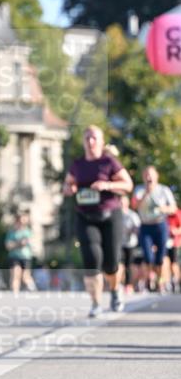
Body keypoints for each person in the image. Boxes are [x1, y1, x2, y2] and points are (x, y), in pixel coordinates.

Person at [62, 125, 133, 317]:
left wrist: (108, 184)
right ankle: (95, 303)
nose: (90, 142)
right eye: (87, 138)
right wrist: (70, 189)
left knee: (111, 263)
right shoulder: (78, 164)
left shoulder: (109, 162)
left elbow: (128, 185)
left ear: (101, 142)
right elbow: (67, 185)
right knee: (92, 260)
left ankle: (116, 290)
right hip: (85, 216)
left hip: (110, 215)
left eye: (94, 138)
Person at [131, 166, 177, 292]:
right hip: (145, 226)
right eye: (146, 174)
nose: (148, 177)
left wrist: (164, 208)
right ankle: (149, 279)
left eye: (151, 174)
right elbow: (134, 205)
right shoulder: (139, 189)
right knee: (148, 257)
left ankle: (160, 280)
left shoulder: (164, 190)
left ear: (156, 176)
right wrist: (146, 193)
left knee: (160, 258)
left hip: (160, 225)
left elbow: (173, 207)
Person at [5, 212, 35, 294]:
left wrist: (18, 244)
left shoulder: (28, 232)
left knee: (25, 276)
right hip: (14, 257)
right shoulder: (12, 232)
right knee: (15, 274)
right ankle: (15, 294)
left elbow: (29, 243)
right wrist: (19, 244)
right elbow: (8, 245)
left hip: (25, 257)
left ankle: (32, 287)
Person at [120, 195, 141, 295]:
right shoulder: (115, 215)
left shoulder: (132, 215)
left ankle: (128, 285)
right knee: (119, 264)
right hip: (119, 243)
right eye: (120, 202)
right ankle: (118, 284)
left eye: (124, 202)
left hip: (130, 243)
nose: (122, 204)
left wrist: (133, 230)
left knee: (129, 265)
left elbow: (138, 229)